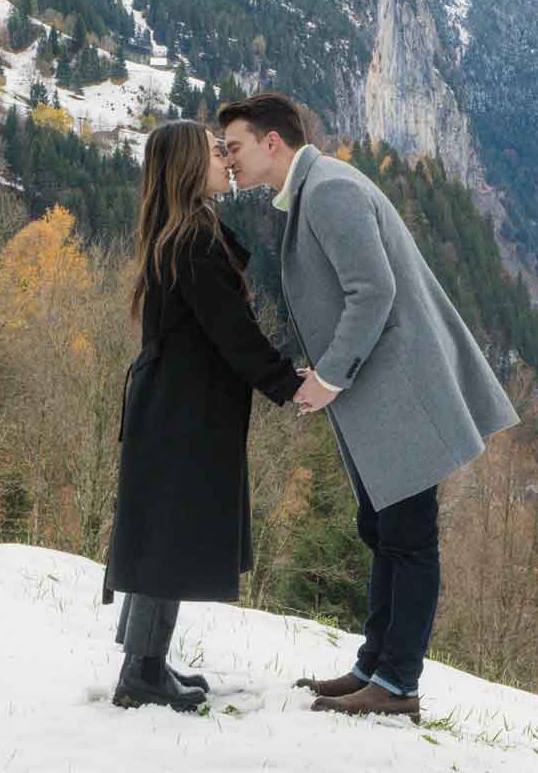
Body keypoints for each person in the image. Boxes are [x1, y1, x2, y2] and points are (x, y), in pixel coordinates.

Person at [217, 92, 518, 723]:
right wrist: (327, 373)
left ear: (273, 142)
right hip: (378, 392)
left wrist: (329, 376)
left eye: (235, 146)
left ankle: (397, 685)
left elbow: (372, 291)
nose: (228, 159)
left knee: (408, 537)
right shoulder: (317, 189)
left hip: (398, 392)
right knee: (385, 531)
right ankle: (372, 667)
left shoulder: (327, 190)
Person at [101, 120, 303, 711]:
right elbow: (234, 335)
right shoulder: (192, 238)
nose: (226, 159)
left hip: (172, 403)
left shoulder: (183, 231)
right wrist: (289, 384)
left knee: (163, 534)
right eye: (216, 152)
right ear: (191, 165)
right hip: (179, 409)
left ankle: (147, 663)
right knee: (167, 538)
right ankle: (141, 673)